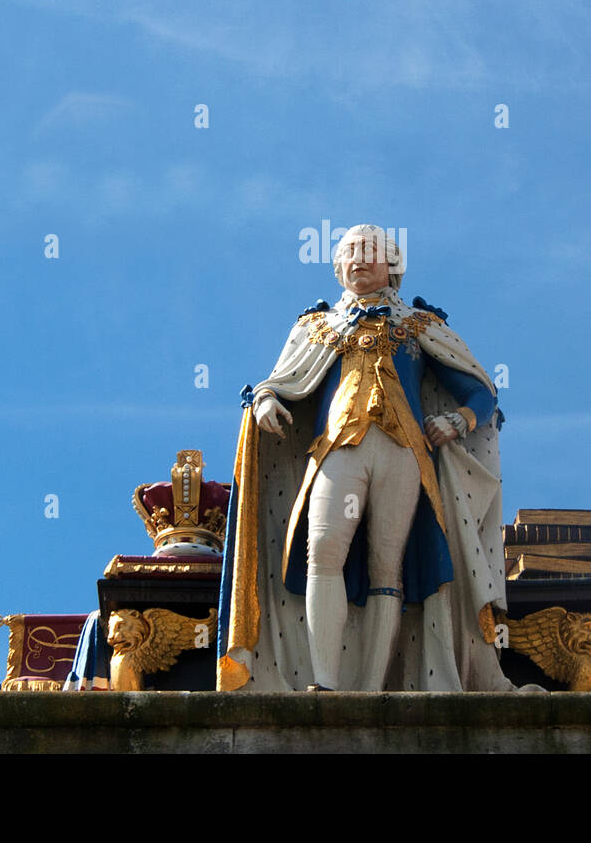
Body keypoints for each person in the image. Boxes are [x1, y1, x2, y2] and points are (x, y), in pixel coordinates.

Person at [217, 225, 513, 692]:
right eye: (350, 252)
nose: (358, 259)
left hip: (404, 454)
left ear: (392, 266)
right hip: (337, 450)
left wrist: (458, 421)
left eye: (370, 252)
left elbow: (479, 391)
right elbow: (282, 379)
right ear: (337, 266)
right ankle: (325, 682)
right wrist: (267, 399)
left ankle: (373, 687)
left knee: (387, 565)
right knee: (323, 552)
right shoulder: (317, 327)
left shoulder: (419, 326)